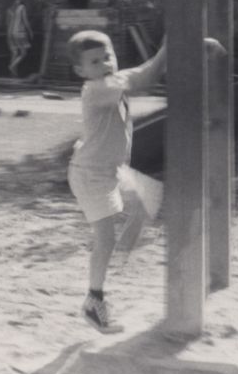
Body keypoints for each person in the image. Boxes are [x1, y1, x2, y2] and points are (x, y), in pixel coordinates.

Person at [66, 30, 225, 334]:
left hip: (110, 169)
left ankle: (116, 262)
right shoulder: (97, 88)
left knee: (147, 198)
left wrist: (190, 40)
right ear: (81, 71)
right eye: (95, 62)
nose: (105, 64)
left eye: (108, 57)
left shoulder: (112, 80)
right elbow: (148, 76)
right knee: (106, 237)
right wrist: (170, 43)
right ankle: (94, 300)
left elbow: (139, 73)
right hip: (91, 174)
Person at [5, 0, 33, 77]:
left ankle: (13, 75)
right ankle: (12, 67)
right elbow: (25, 21)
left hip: (10, 33)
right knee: (23, 53)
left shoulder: (10, 9)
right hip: (20, 33)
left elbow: (7, 23)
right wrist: (30, 31)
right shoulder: (22, 7)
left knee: (14, 53)